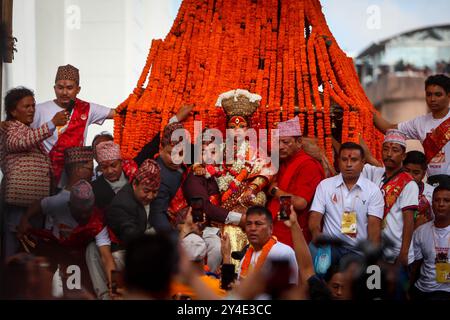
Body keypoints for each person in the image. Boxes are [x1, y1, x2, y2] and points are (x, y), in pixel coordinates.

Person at [0, 87, 67, 259]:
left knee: (30, 249)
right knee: (15, 247)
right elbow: (19, 143)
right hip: (18, 201)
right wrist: (52, 124)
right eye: (26, 106)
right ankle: (11, 284)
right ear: (13, 112)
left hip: (34, 203)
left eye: (33, 106)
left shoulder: (28, 130)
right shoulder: (8, 128)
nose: (31, 110)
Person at [30, 64, 115, 185]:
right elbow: (22, 131)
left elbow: (116, 113)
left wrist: (140, 100)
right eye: (60, 87)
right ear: (54, 88)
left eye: (69, 88)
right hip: (47, 172)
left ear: (78, 89)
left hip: (76, 173)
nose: (64, 92)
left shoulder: (87, 108)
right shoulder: (38, 110)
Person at [309, 142, 384, 266]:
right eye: (344, 159)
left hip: (358, 252)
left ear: (363, 163)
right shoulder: (325, 186)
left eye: (354, 160)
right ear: (338, 161)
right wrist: (316, 234)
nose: (348, 164)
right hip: (331, 249)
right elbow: (315, 216)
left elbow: (374, 231)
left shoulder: (373, 190)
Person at [373, 74, 450, 184]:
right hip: (432, 184)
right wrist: (367, 111)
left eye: (438, 95)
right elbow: (390, 130)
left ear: (448, 95)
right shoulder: (419, 122)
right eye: (429, 95)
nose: (432, 99)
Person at [362, 130, 418, 267]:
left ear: (403, 155)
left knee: (396, 288)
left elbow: (409, 221)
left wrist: (403, 253)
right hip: (376, 251)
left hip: (396, 252)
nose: (389, 154)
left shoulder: (409, 183)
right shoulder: (375, 173)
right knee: (374, 287)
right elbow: (354, 158)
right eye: (385, 149)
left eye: (395, 150)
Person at [267, 116, 325, 246]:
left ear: (299, 142)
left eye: (286, 142)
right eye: (278, 142)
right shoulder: (283, 161)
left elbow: (300, 202)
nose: (281, 147)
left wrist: (274, 191)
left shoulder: (308, 165)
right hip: (278, 227)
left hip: (295, 231)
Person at [106, 158, 161, 267]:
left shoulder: (143, 197)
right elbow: (132, 238)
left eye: (154, 192)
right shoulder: (122, 205)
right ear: (135, 184)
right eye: (146, 191)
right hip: (122, 252)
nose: (150, 196)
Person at [237, 206, 298, 285]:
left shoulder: (283, 252)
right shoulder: (246, 257)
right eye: (249, 224)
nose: (252, 228)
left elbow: (290, 290)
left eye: (258, 224)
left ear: (271, 228)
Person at [410, 183, 450, 300]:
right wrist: (408, 289)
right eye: (437, 200)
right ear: (432, 204)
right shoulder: (421, 231)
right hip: (424, 290)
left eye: (446, 200)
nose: (441, 204)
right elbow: (415, 266)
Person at [91, 141, 137, 209]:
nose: (109, 171)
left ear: (121, 163)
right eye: (104, 167)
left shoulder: (133, 178)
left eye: (113, 165)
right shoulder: (95, 189)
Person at [403, 151, 435, 229]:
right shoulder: (393, 190)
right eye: (407, 171)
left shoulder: (432, 193)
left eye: (416, 173)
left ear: (424, 174)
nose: (410, 176)